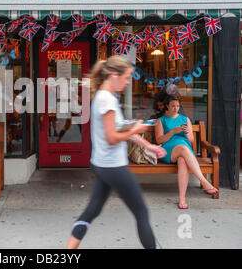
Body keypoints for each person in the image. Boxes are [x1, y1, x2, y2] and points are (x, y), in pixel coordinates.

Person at [66, 56, 166, 249]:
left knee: (91, 212)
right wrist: (135, 130)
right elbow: (113, 137)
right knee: (141, 212)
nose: (128, 82)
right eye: (127, 77)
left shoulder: (105, 97)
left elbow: (119, 128)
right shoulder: (106, 100)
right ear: (113, 76)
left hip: (103, 165)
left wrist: (148, 146)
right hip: (113, 166)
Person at [154, 94, 218, 209]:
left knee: (182, 160)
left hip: (185, 151)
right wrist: (173, 131)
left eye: (178, 106)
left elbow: (191, 141)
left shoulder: (185, 119)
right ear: (167, 106)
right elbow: (159, 140)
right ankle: (204, 181)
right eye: (173, 106)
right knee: (183, 149)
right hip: (168, 150)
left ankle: (182, 198)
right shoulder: (161, 120)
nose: (176, 108)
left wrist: (187, 132)